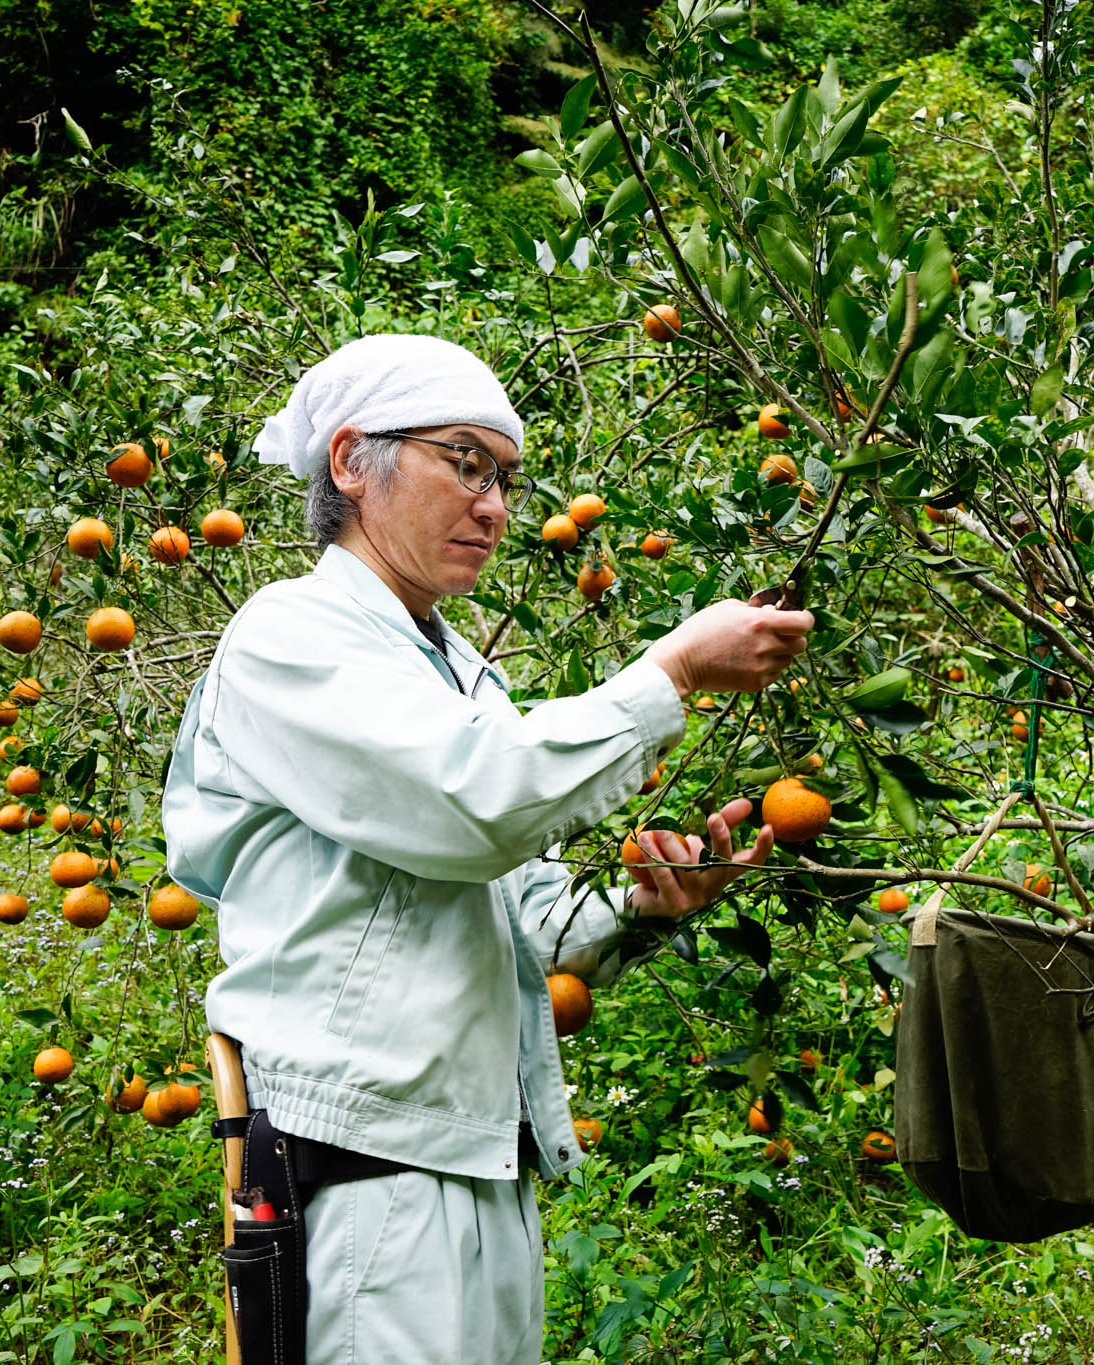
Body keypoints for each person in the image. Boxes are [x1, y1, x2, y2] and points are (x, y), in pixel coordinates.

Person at [162, 333, 814, 1363]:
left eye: (504, 477)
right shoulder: (291, 635)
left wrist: (643, 908)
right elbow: (474, 805)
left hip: (473, 1156)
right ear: (350, 462)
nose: (496, 507)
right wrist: (670, 672)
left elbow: (521, 915)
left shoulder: (456, 672)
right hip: (363, 1167)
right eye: (464, 462)